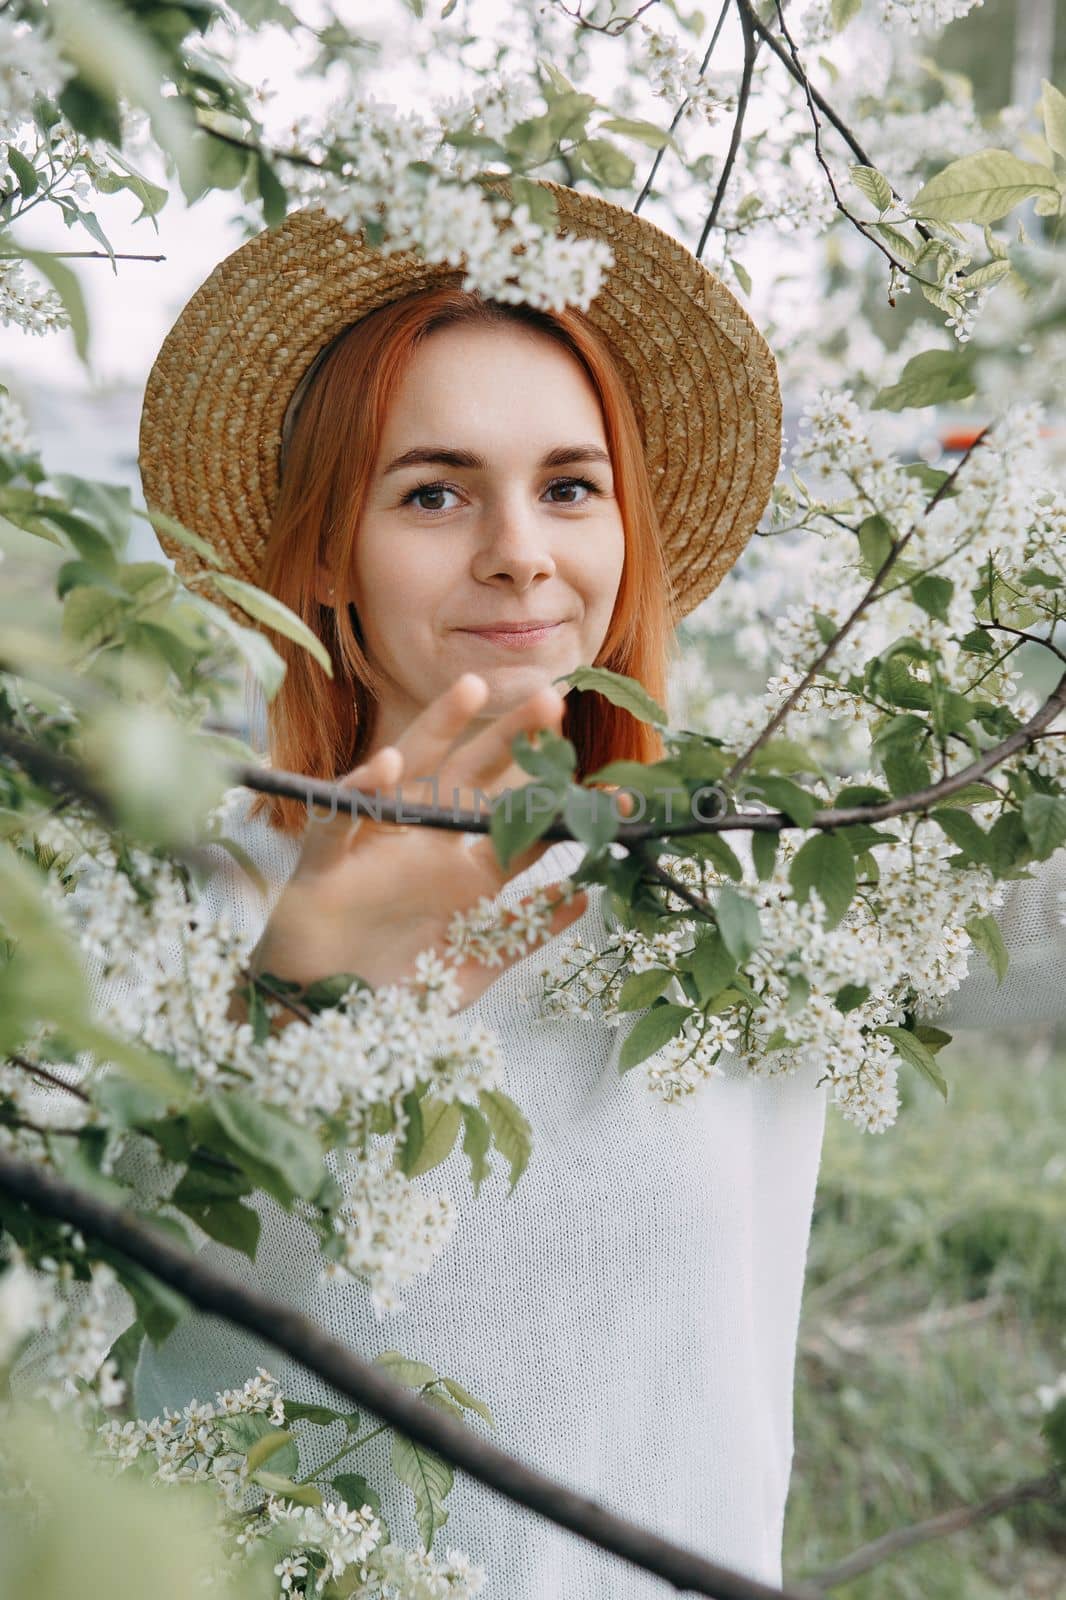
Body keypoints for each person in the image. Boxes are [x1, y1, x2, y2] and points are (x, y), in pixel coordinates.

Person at [41, 182, 1066, 1595]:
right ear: (327, 550)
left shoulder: (765, 882)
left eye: (569, 487)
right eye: (433, 491)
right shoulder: (149, 907)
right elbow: (102, 1318)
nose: (518, 546)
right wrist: (298, 998)